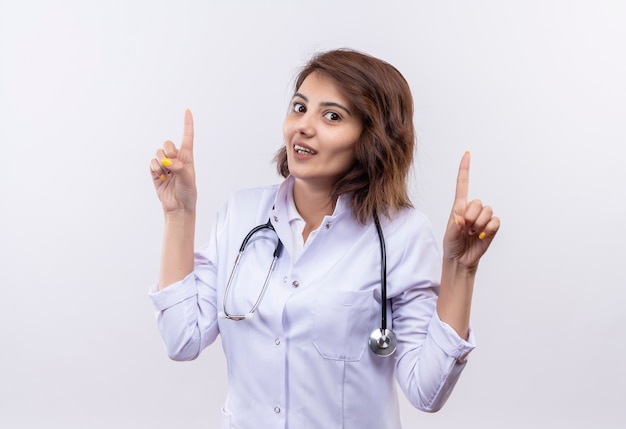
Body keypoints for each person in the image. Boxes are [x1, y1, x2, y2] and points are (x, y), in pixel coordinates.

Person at [148, 48, 500, 429]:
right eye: (300, 107)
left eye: (332, 116)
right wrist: (179, 214)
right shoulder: (241, 215)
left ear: (373, 137)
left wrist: (461, 270)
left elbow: (426, 391)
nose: (304, 126)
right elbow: (182, 340)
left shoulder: (401, 233)